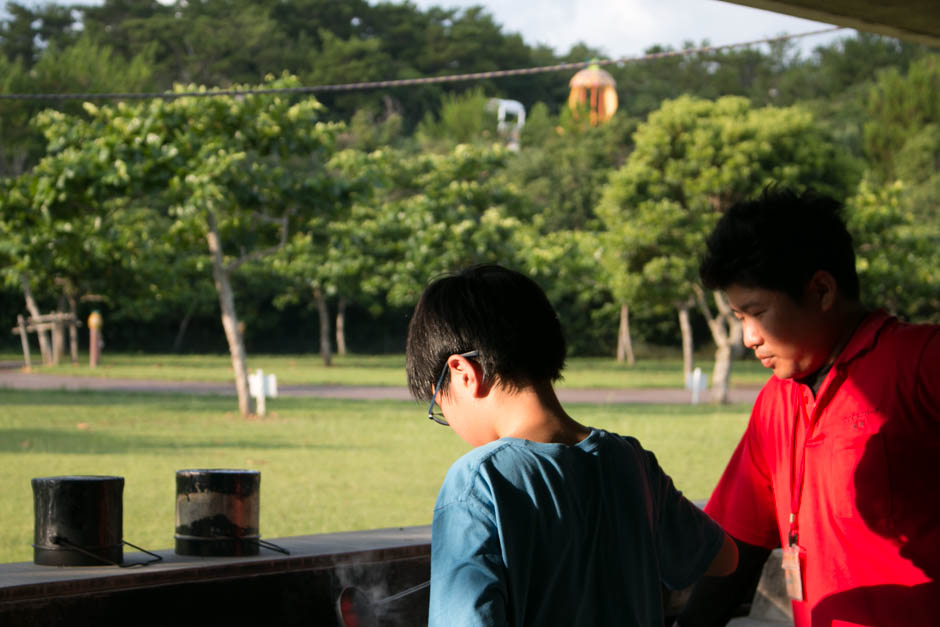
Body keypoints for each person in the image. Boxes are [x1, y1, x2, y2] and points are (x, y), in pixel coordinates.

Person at [406, 264, 738, 626]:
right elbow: (724, 557)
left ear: (463, 373)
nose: (449, 421)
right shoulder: (629, 459)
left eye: (440, 407)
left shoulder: (477, 482)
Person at [677, 188, 940, 627]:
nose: (749, 338)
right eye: (739, 318)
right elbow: (740, 548)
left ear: (821, 290)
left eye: (756, 312)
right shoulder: (775, 402)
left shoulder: (919, 362)